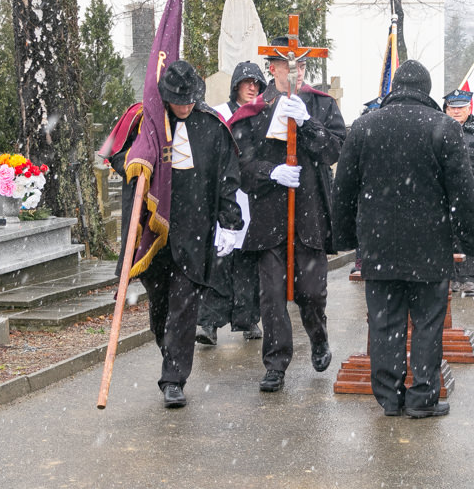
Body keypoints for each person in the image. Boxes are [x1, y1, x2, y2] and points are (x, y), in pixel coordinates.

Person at [332, 60, 474, 418]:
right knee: (428, 325)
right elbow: (462, 191)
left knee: (384, 323)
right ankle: (422, 398)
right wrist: (470, 241)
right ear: (426, 90)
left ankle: (389, 397)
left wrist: (348, 238)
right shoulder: (444, 128)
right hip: (430, 246)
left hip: (379, 245)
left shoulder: (365, 126)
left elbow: (344, 189)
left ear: (394, 87)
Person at [107, 60, 243, 409]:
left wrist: (230, 220)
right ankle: (171, 351)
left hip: (194, 228)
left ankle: (173, 378)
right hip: (152, 232)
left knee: (185, 303)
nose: (183, 106)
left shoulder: (212, 127)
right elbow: (117, 155)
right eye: (176, 100)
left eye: (188, 100)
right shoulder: (146, 121)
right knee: (161, 305)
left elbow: (227, 177)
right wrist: (139, 159)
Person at [229, 36, 346, 393]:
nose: (294, 72)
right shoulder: (253, 111)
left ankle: (319, 336)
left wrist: (309, 124)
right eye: (286, 65)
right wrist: (271, 172)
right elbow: (240, 166)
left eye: (300, 66)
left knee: (311, 292)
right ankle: (276, 364)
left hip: (309, 214)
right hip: (269, 217)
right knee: (272, 297)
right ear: (273, 68)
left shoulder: (322, 105)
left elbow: (336, 150)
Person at [195, 61, 267, 345]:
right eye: (247, 82)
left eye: (256, 83)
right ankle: (209, 324)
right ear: (236, 84)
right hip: (224, 199)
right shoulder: (220, 115)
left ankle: (248, 319)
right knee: (219, 265)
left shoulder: (261, 115)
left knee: (248, 266)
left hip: (253, 199)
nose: (252, 87)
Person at [443, 89, 474, 297]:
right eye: (452, 108)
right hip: (445, 192)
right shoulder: (438, 129)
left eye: (460, 108)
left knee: (471, 234)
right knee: (447, 234)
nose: (456, 112)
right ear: (446, 109)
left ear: (469, 108)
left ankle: (469, 278)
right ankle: (452, 277)